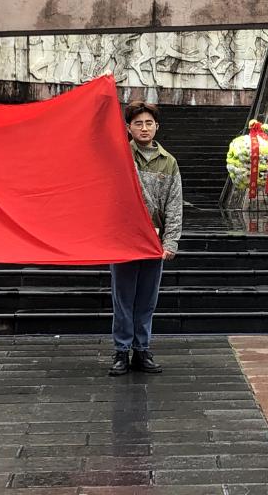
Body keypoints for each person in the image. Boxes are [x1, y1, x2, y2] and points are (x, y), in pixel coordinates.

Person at [108, 101, 182, 376]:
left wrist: (171, 242)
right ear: (128, 128)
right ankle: (121, 350)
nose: (144, 128)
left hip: (153, 239)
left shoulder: (168, 162)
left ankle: (142, 349)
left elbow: (174, 204)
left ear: (157, 127)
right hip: (124, 239)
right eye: (138, 123)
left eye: (149, 123)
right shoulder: (119, 155)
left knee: (147, 299)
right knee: (123, 298)